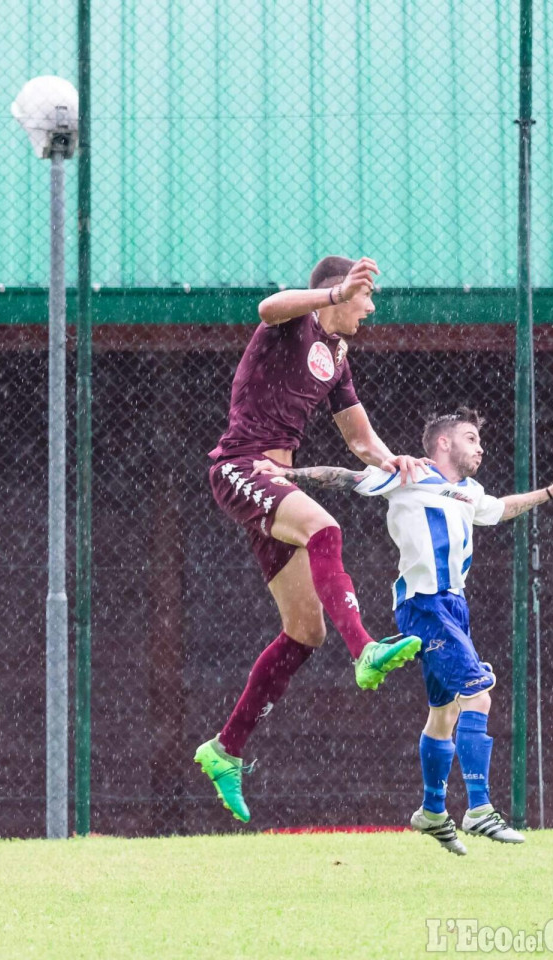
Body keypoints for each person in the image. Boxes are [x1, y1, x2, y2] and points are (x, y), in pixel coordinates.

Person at [254, 408, 553, 854]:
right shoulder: (411, 474)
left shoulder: (470, 492)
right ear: (443, 443)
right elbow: (346, 477)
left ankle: (431, 811)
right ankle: (480, 809)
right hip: (425, 606)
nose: (479, 446)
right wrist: (287, 474)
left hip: (454, 607)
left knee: (443, 714)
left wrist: (550, 493)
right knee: (478, 694)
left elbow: (501, 509)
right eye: (469, 437)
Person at [195, 255, 431, 824]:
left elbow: (357, 433)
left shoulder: (339, 357)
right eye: (363, 296)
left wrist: (390, 457)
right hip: (241, 466)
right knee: (326, 527)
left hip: (279, 481)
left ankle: (224, 748)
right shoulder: (292, 322)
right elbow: (268, 306)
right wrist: (328, 295)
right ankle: (367, 650)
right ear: (337, 291)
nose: (369, 308)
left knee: (305, 630)